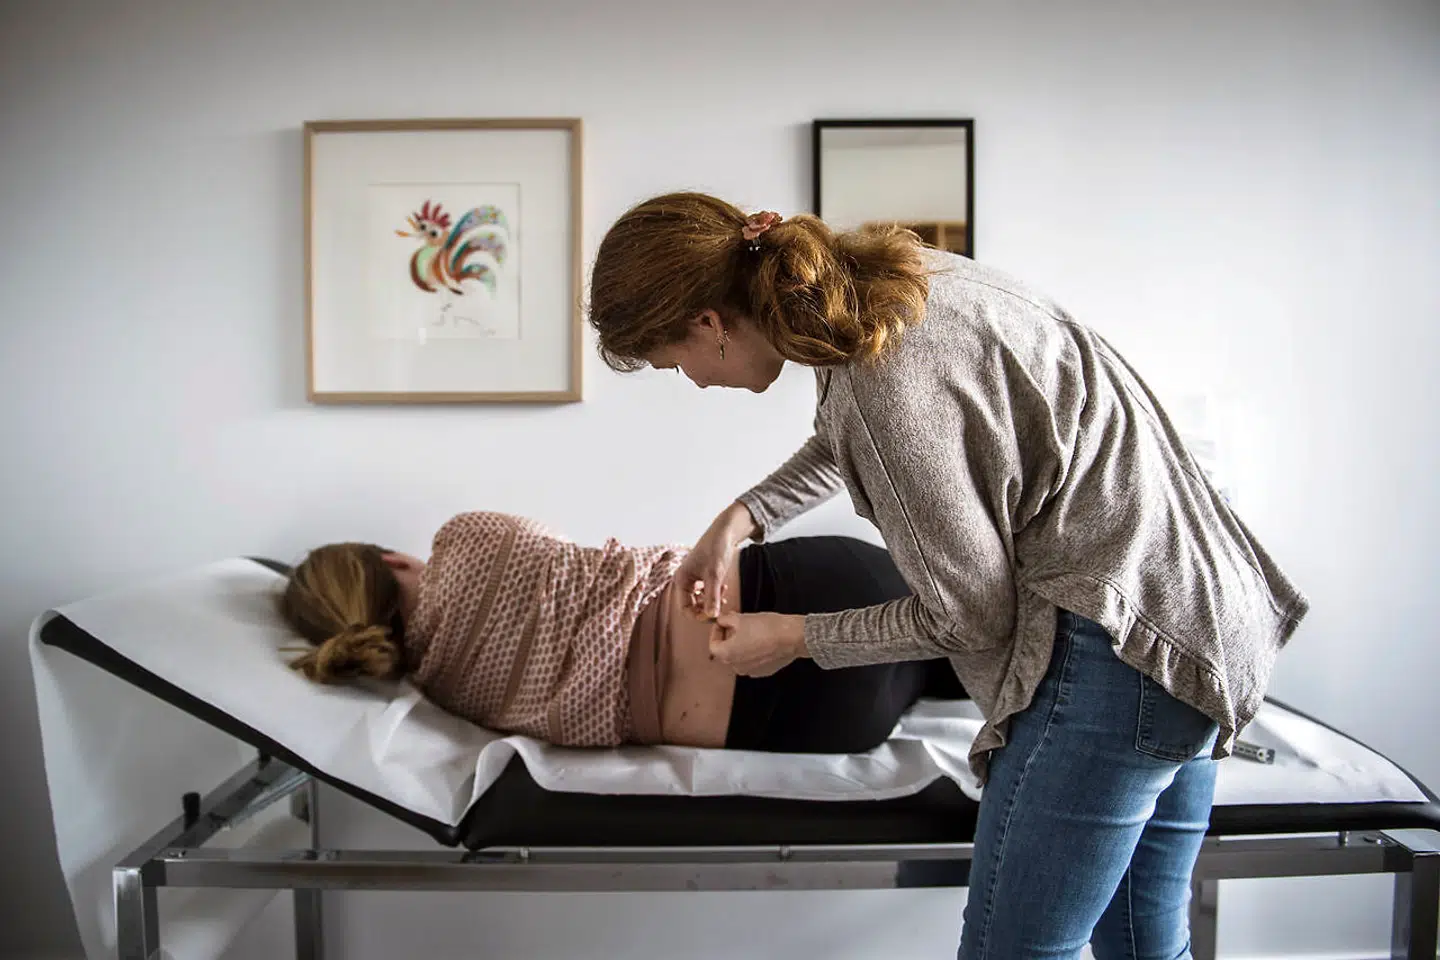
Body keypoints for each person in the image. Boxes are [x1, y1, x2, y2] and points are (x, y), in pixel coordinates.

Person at [586, 191, 1310, 959]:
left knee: (1015, 950)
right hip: (1196, 622)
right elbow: (860, 439)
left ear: (709, 324)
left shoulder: (880, 384)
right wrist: (737, 521)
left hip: (1124, 652)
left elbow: (969, 617)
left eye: (675, 365)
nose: (692, 383)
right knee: (1142, 945)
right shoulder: (899, 284)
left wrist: (795, 639)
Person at [279, 510, 962, 754]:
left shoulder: (449, 697)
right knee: (987, 637)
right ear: (393, 561)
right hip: (811, 595)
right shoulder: (463, 538)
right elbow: (554, 547)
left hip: (817, 722)